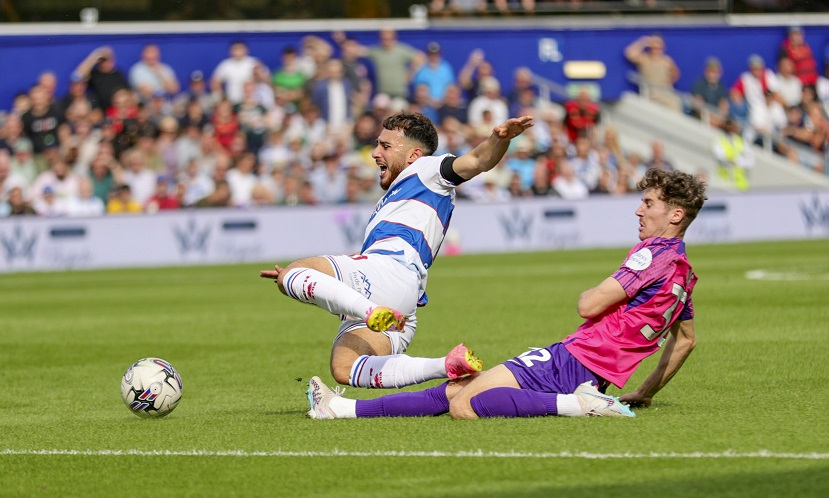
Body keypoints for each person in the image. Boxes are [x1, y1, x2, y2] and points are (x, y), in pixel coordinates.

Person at [306, 167, 707, 419]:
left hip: (576, 360)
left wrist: (600, 291)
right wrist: (645, 392)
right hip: (592, 369)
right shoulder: (684, 272)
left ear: (675, 214)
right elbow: (685, 340)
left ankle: (580, 404)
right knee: (457, 389)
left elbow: (589, 305)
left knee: (465, 405)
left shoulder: (651, 255)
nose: (639, 210)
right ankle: (341, 409)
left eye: (649, 203)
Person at [260, 112, 534, 390]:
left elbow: (477, 160)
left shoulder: (426, 169)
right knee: (345, 368)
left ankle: (370, 310)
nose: (375, 153)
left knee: (293, 273)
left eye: (386, 146)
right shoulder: (401, 191)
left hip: (389, 271)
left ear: (414, 155)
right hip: (403, 297)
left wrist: (498, 139)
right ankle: (446, 364)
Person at [624, 34, 681, 112]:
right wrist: (643, 41)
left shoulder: (666, 61)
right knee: (671, 103)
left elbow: (675, 73)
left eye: (658, 46)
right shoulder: (644, 59)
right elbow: (630, 53)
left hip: (665, 90)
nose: (656, 49)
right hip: (651, 91)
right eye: (654, 46)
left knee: (676, 102)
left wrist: (668, 83)